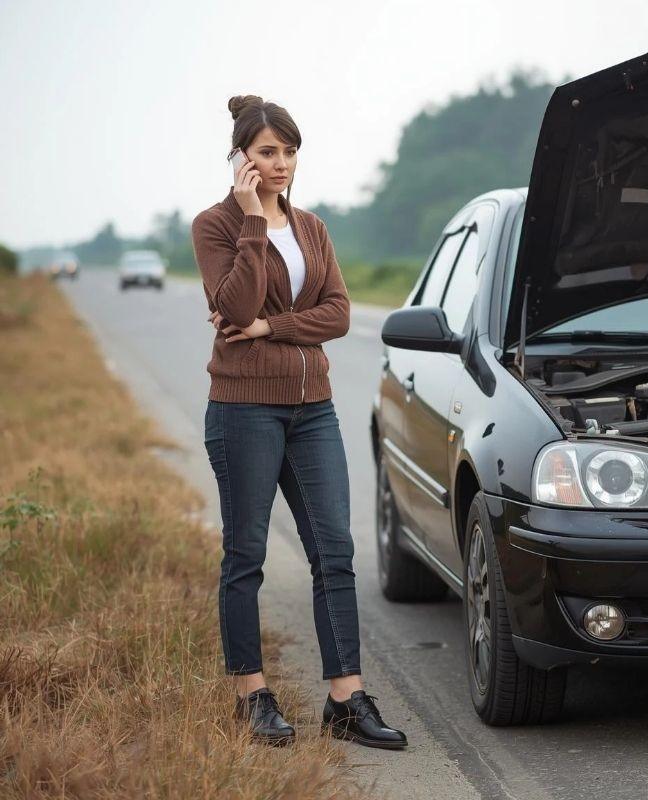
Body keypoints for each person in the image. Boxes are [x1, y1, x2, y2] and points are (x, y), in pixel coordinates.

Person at [191, 94, 407, 750]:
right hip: (242, 410)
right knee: (246, 554)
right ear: (240, 159)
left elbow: (338, 313)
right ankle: (251, 695)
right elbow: (232, 302)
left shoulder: (313, 228)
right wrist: (253, 221)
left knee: (334, 554)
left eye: (287, 151)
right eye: (266, 152)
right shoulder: (214, 226)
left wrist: (269, 327)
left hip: (313, 411)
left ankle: (345, 700)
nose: (280, 163)